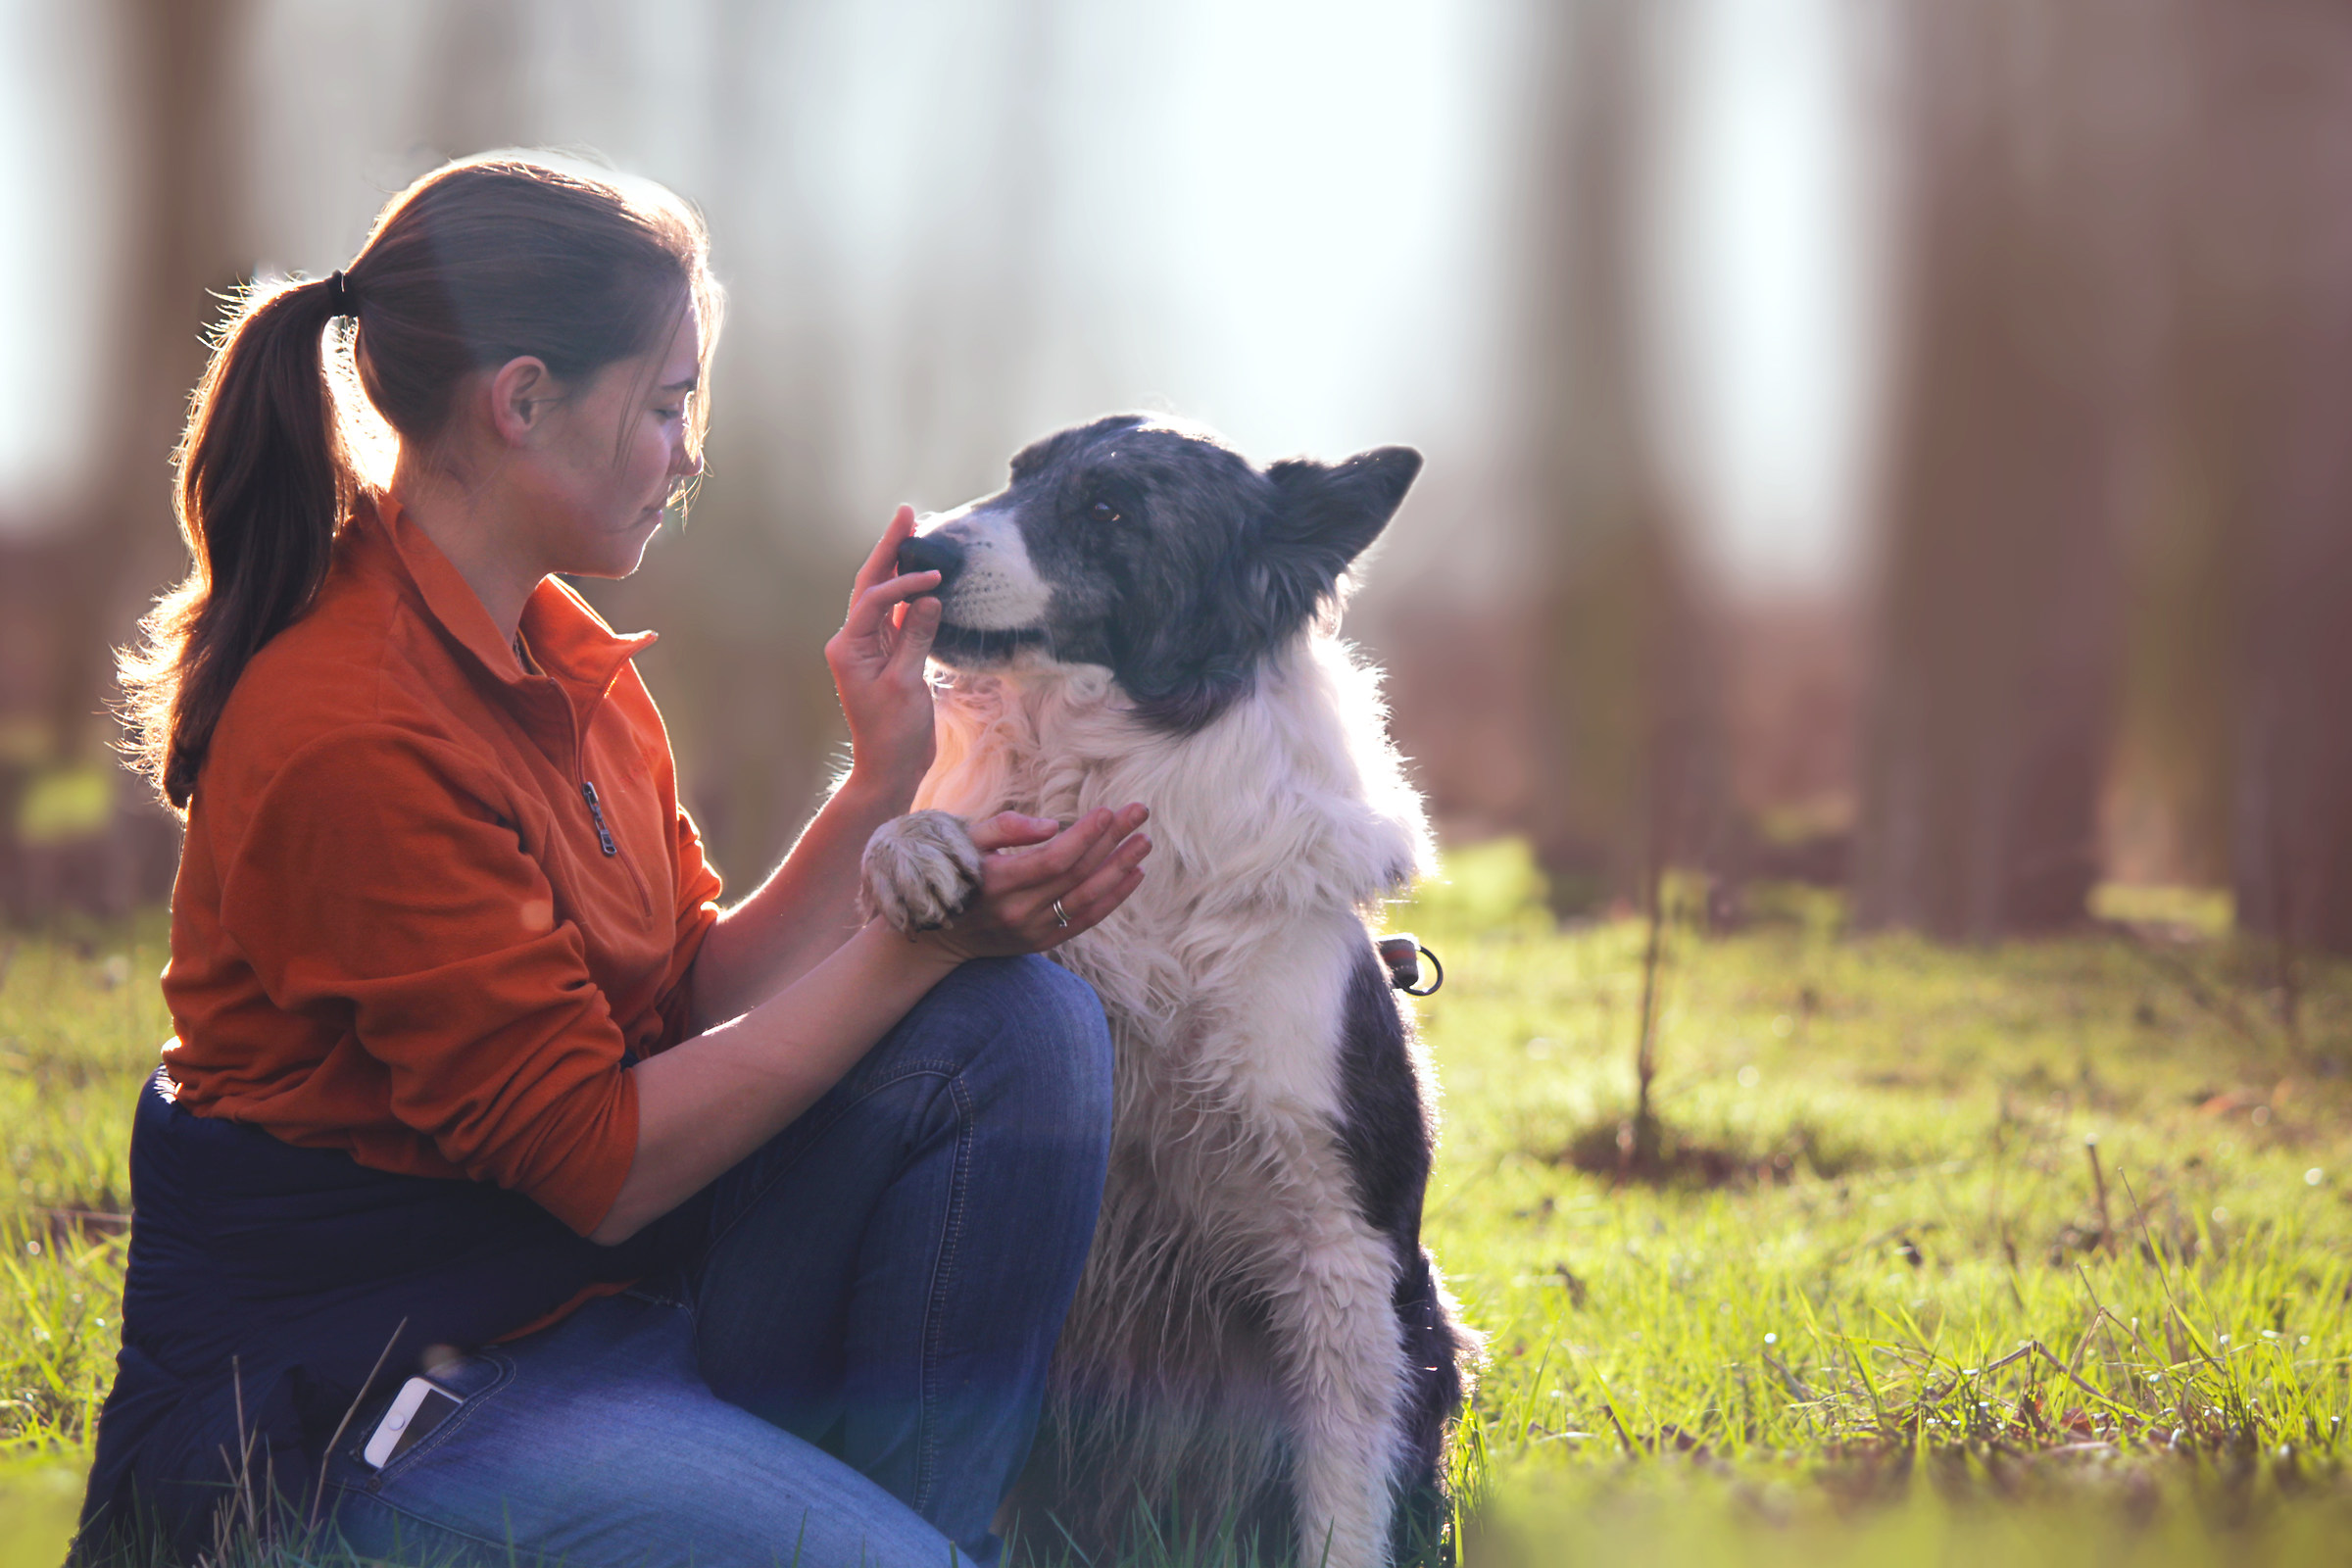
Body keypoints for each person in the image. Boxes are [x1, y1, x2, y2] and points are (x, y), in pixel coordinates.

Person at [74, 152, 1151, 1568]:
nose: (690, 452)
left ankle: (901, 1532)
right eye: (665, 404)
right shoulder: (350, 732)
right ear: (523, 403)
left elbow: (689, 998)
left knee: (1019, 1028)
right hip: (370, 1394)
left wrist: (883, 782)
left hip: (595, 1304)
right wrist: (917, 942)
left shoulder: (561, 649)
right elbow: (601, 1167)